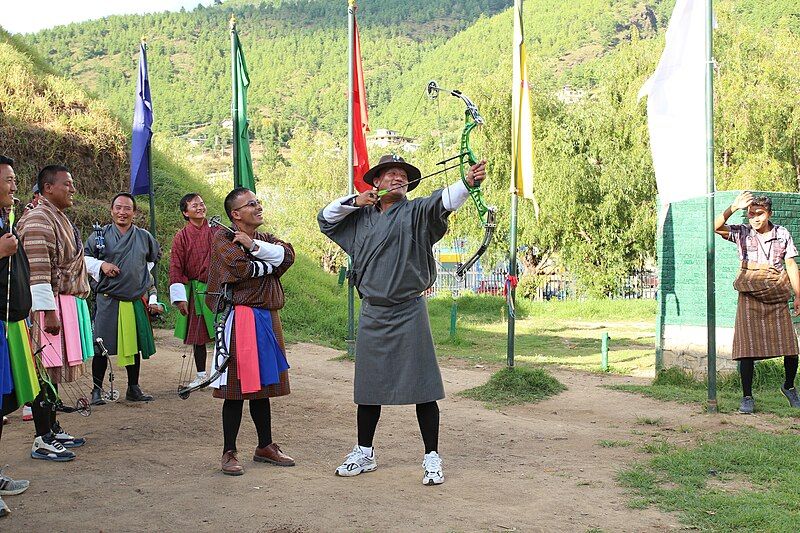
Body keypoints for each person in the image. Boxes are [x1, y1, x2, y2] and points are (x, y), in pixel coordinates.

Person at [318, 153, 487, 485]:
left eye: (402, 174)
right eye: (389, 174)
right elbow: (325, 218)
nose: (397, 178)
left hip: (409, 309)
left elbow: (444, 201)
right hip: (373, 311)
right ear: (376, 183)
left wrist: (467, 182)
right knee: (368, 389)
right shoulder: (360, 217)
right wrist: (356, 200)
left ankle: (431, 457)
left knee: (424, 387)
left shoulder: (417, 211)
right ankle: (364, 452)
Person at [206, 187, 295, 476]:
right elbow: (240, 269)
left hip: (267, 316)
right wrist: (270, 264)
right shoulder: (222, 237)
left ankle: (265, 445)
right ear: (235, 214)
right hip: (241, 316)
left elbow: (288, 255)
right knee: (235, 388)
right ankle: (229, 450)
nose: (258, 207)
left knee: (263, 385)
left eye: (257, 202)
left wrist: (256, 248)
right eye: (251, 204)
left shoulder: (264, 238)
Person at [18, 165, 92, 460]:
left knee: (54, 372)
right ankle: (42, 437)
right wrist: (48, 312)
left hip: (62, 303)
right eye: (67, 184)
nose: (72, 189)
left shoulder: (56, 216)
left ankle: (53, 426)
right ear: (48, 188)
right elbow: (37, 273)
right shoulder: (38, 219)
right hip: (46, 308)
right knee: (43, 372)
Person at [715, 191, 800, 414]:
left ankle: (789, 386)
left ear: (769, 213)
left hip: (776, 296)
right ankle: (747, 396)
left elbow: (790, 265)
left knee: (791, 347)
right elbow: (715, 227)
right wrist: (732, 208)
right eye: (751, 214)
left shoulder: (782, 234)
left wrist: (798, 294)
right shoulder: (742, 232)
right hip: (749, 295)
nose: (755, 218)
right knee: (746, 350)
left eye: (759, 214)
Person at [84, 193, 161, 404]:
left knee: (133, 345)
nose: (122, 212)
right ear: (111, 210)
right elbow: (84, 258)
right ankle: (97, 390)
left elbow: (153, 258)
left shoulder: (144, 236)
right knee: (101, 343)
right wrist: (102, 265)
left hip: (133, 298)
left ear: (134, 212)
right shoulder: (99, 236)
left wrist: (139, 276)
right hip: (108, 298)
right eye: (118, 208)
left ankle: (133, 388)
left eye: (127, 208)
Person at [0, 155, 40, 514]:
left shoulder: (5, 218)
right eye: (8, 180)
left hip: (8, 321)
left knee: (1, 405)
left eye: (15, 180)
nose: (14, 186)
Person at [169, 193, 215, 388]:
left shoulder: (216, 231)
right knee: (199, 336)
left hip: (217, 287)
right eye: (194, 205)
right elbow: (176, 267)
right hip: (195, 290)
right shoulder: (181, 237)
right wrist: (180, 298)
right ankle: (202, 374)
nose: (200, 208)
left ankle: (224, 372)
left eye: (202, 204)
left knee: (225, 332)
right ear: (185, 212)